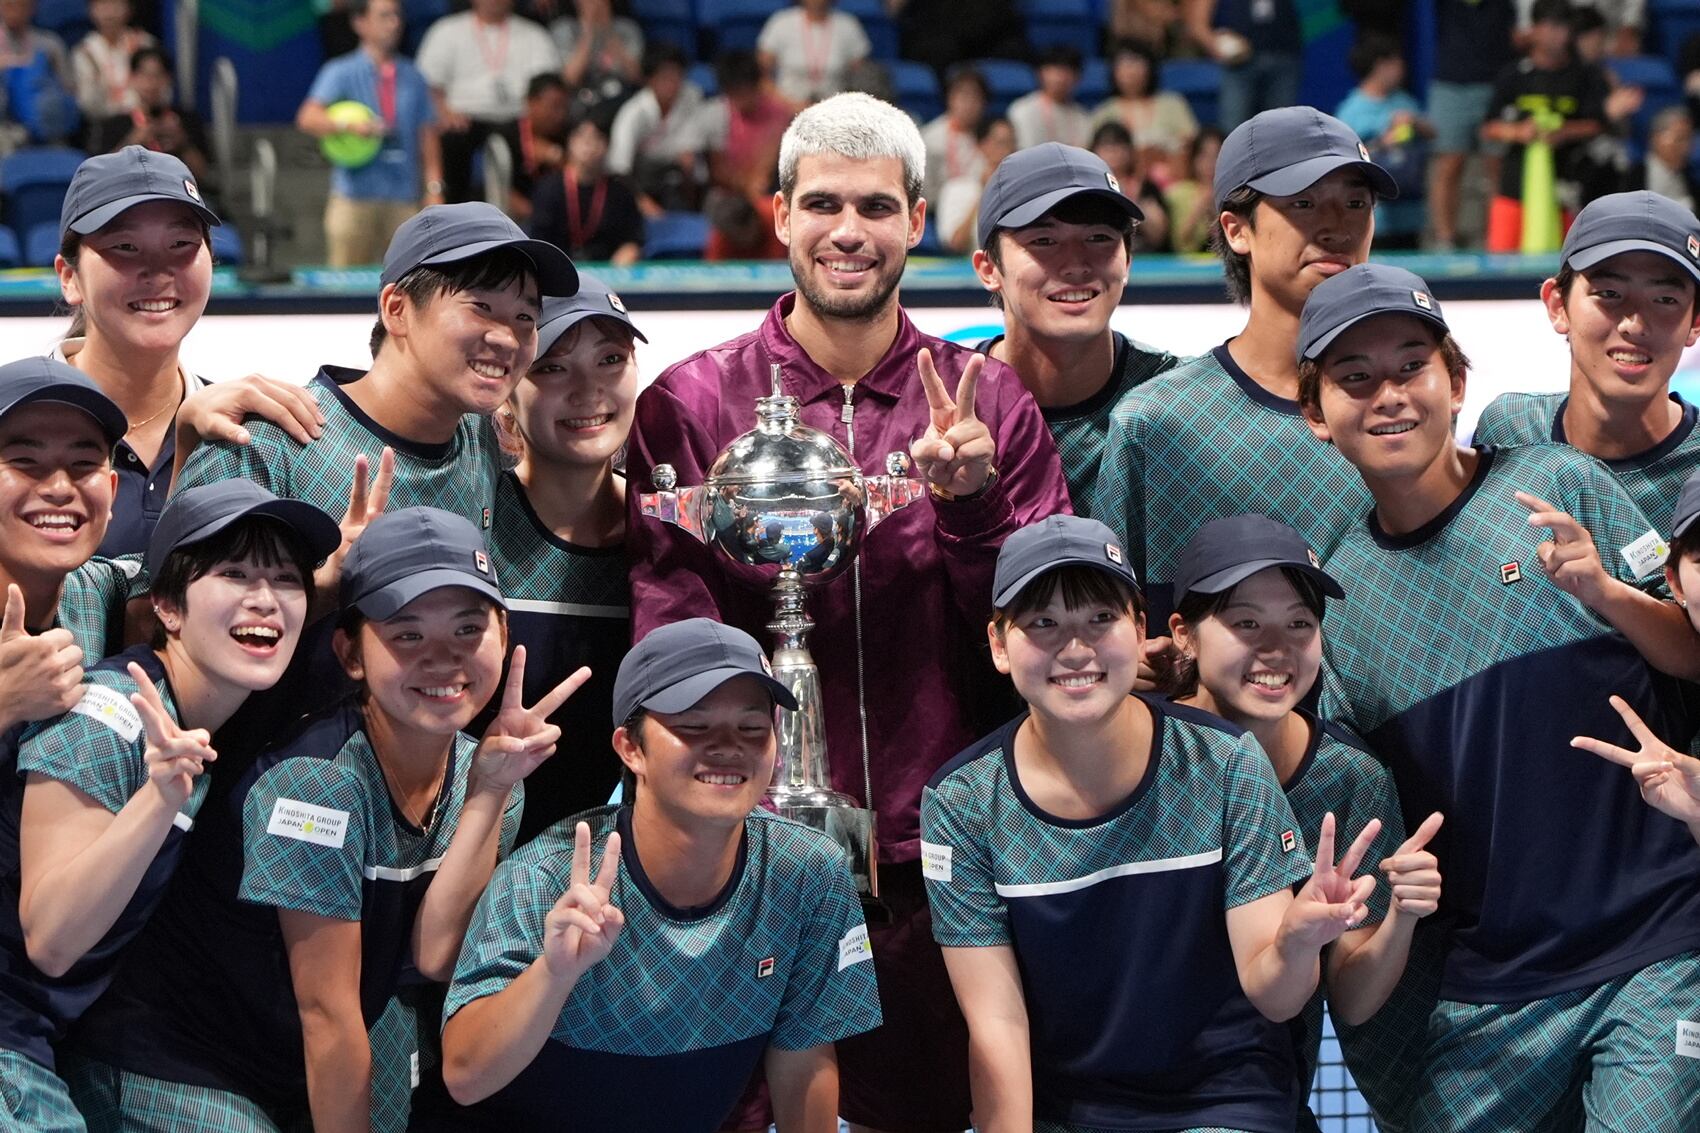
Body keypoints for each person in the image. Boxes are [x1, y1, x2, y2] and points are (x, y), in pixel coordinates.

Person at [626, 91, 1071, 1133]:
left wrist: (972, 511)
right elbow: (667, 644)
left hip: (936, 861)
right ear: (777, 213)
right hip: (740, 862)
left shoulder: (987, 404)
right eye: (822, 202)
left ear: (917, 219)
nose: (847, 232)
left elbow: (1044, 641)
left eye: (875, 206)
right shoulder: (690, 406)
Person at [1298, 261, 1700, 1132]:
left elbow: (1692, 652)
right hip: (1490, 989)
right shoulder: (1336, 601)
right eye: (1354, 379)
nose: (1389, 395)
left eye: (1411, 366)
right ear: (1315, 415)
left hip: (1655, 945)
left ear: (1457, 380)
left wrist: (1606, 594)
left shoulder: (1560, 485)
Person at [63, 506, 580, 1132]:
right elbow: (326, 1014)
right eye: (407, 634)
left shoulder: (491, 768)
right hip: (177, 1058)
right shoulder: (317, 784)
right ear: (350, 653)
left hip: (289, 1066)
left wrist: (491, 792)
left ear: (505, 632)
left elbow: (437, 954)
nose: (443, 659)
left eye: (468, 629)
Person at [923, 513, 1378, 1132]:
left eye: (1100, 620)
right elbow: (998, 1027)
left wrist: (1297, 942)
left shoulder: (1225, 763)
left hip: (1224, 1101)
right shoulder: (961, 804)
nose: (1076, 648)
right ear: (1001, 645)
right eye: (1043, 624)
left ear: (1140, 632)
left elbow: (1276, 995)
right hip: (1073, 1113)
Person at [417, 617, 882, 1129]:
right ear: (630, 748)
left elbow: (805, 1062)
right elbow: (464, 1078)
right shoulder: (548, 876)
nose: (729, 746)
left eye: (752, 727)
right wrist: (554, 974)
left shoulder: (810, 874)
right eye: (694, 726)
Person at [1, 479, 338, 1133]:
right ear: (169, 607)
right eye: (235, 573)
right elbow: (51, 938)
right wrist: (157, 800)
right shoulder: (110, 715)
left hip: (44, 1043)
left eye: (287, 579)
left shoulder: (201, 723)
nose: (265, 599)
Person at [1165, 513, 1444, 1131]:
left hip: (1262, 1094)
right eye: (1245, 623)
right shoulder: (1141, 754)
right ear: (1182, 634)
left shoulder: (1349, 779)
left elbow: (1353, 996)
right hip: (1117, 1085)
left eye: (1300, 623)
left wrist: (1401, 914)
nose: (1277, 648)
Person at [1093, 106, 1394, 629]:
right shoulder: (1160, 421)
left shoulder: (1406, 409)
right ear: (1236, 230)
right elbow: (1115, 621)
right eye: (1303, 203)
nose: (1337, 226)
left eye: (1355, 203)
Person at [53, 146, 327, 560]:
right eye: (125, 247)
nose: (158, 270)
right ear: (70, 278)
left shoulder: (245, 436)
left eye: (181, 242)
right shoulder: (16, 421)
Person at [478, 274, 637, 841]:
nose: (588, 389)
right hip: (458, 863)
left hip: (611, 878)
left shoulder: (667, 533)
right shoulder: (475, 520)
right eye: (551, 366)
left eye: (611, 359)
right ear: (506, 395)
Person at [970, 142, 1178, 515]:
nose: (1076, 264)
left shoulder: (1180, 402)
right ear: (989, 269)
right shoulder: (943, 408)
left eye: (1099, 238)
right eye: (1044, 241)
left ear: (1127, 259)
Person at [1476, 191, 1700, 527]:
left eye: (1665, 299)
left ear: (1695, 322)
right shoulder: (1509, 427)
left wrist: (1605, 584)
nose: (1634, 324)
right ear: (1557, 306)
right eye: (1609, 294)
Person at [298, 0, 444, 269]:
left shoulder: (413, 75)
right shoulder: (340, 71)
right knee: (344, 284)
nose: (394, 23)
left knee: (407, 279)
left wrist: (434, 189)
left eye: (397, 16)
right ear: (360, 23)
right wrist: (348, 126)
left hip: (403, 196)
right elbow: (308, 118)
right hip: (354, 197)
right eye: (385, 16)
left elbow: (428, 134)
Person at [1480, 0, 1608, 253]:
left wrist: (1563, 132)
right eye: (1550, 27)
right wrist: (1517, 132)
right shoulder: (1513, 74)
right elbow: (1488, 127)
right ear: (1535, 29)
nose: (1557, 35)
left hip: (1567, 188)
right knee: (1501, 263)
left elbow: (1597, 124)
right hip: (1514, 188)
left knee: (1565, 262)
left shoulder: (1585, 75)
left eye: (1563, 28)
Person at [417, 0, 560, 203]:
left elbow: (547, 89)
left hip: (517, 120)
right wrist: (444, 112)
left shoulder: (534, 35)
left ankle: (528, 212)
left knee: (535, 143)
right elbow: (427, 85)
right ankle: (451, 208)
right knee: (451, 139)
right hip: (464, 120)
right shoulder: (446, 31)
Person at [1427, 0, 1516, 250]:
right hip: (1451, 83)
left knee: (1496, 165)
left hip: (1497, 82)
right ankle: (1444, 241)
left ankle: (1497, 240)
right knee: (1449, 163)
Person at [1334, 32, 1432, 247]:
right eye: (1396, 62)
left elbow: (1433, 134)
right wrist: (1383, 142)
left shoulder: (1404, 100)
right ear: (1381, 65)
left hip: (1410, 213)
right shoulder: (1351, 110)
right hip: (1376, 217)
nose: (1402, 68)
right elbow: (1342, 159)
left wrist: (1413, 122)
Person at [529, 114, 644, 265]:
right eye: (582, 138)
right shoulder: (549, 188)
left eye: (597, 138)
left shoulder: (620, 192)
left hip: (610, 271)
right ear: (569, 143)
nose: (589, 145)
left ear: (608, 145)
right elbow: (539, 238)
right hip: (558, 270)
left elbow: (633, 238)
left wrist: (629, 250)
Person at [607, 42, 705, 215]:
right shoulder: (633, 114)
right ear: (649, 79)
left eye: (677, 76)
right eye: (665, 77)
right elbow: (619, 170)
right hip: (640, 179)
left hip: (675, 176)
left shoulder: (692, 96)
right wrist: (642, 202)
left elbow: (692, 156)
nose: (673, 83)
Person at [88, 48, 210, 184]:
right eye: (144, 75)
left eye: (157, 75)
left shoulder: (186, 119)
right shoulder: (114, 124)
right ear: (132, 78)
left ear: (168, 79)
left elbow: (203, 174)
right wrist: (132, 141)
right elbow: (103, 176)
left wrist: (183, 143)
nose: (151, 83)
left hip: (178, 194)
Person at [1088, 39, 1198, 186]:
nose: (1131, 71)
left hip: (1173, 182)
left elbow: (1192, 143)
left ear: (1150, 68)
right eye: (1125, 64)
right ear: (1113, 71)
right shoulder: (1104, 112)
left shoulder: (1173, 104)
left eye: (1137, 63)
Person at [694, 50, 795, 203]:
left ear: (757, 87)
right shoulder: (715, 115)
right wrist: (745, 184)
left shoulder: (779, 113)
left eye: (747, 91)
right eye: (736, 93)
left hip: (768, 189)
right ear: (726, 92)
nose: (743, 99)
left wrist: (760, 182)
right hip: (727, 194)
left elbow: (773, 163)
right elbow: (717, 171)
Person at [1184, 0, 1301, 130]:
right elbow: (1197, 24)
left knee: (1281, 129)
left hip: (1283, 58)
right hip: (1238, 64)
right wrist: (1218, 47)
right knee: (1232, 129)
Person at [757, 0, 870, 107]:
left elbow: (861, 78)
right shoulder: (781, 23)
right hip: (787, 109)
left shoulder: (848, 25)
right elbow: (760, 76)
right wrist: (789, 105)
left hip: (835, 111)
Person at [1088, 122, 1170, 253]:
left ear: (1130, 151)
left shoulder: (1146, 186)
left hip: (1144, 257)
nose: (1113, 152)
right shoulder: (1085, 189)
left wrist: (1134, 203)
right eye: (1106, 146)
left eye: (1119, 145)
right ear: (1093, 151)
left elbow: (1159, 237)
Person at [936, 116, 1014, 254]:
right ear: (981, 145)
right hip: (970, 269)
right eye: (1000, 143)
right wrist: (985, 193)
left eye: (1011, 143)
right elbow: (956, 244)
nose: (1007, 151)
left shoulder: (1022, 190)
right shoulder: (956, 189)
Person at [69, 0, 153, 125]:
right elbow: (87, 105)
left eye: (116, 4)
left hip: (146, 119)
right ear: (91, 10)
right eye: (103, 5)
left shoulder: (144, 43)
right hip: (104, 124)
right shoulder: (84, 52)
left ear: (129, 9)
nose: (110, 12)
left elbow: (162, 90)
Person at [551, 0, 642, 109]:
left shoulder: (627, 29)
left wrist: (608, 30)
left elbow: (636, 76)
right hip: (580, 102)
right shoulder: (564, 29)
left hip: (620, 99)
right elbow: (569, 80)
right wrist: (588, 31)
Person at [920, 67, 987, 210]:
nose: (969, 104)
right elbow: (924, 191)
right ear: (949, 98)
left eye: (975, 97)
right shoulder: (931, 137)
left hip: (983, 208)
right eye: (963, 96)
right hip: (940, 210)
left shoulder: (990, 136)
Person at [509, 73, 571, 221]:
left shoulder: (568, 135)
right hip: (516, 221)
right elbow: (498, 188)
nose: (560, 115)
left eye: (564, 108)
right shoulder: (506, 136)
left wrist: (558, 158)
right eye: (554, 107)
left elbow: (580, 179)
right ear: (531, 102)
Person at [1006, 46, 1089, 152]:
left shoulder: (1082, 116)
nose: (1060, 77)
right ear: (1039, 73)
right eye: (1053, 70)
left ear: (1078, 77)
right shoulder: (1022, 110)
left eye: (1066, 71)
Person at [1163, 125, 1223, 253]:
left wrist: (1214, 212)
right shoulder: (1177, 193)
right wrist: (1199, 209)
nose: (1210, 163)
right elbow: (1179, 244)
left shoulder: (1234, 194)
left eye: (1216, 156)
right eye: (1204, 156)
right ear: (1194, 159)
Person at [1637, 106, 1700, 212]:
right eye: (1679, 139)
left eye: (1689, 140)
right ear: (1656, 138)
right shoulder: (1630, 176)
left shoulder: (1691, 178)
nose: (1686, 147)